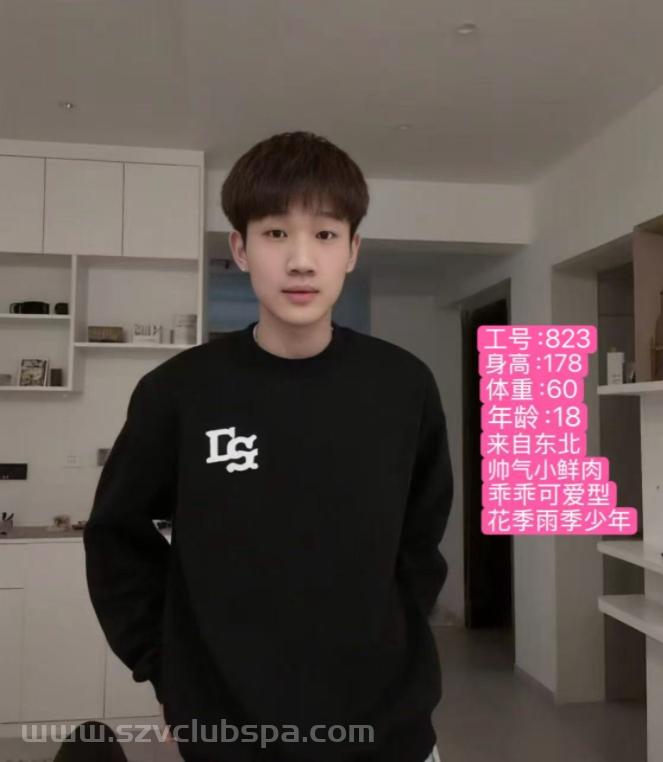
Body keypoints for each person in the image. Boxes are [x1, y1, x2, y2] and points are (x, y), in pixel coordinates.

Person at [83, 131, 453, 762]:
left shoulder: (403, 385)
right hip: (231, 733)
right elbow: (117, 538)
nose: (301, 261)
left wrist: (391, 642)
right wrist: (166, 669)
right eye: (276, 233)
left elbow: (420, 541)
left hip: (387, 730)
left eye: (325, 234)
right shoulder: (178, 392)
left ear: (352, 251)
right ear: (241, 249)